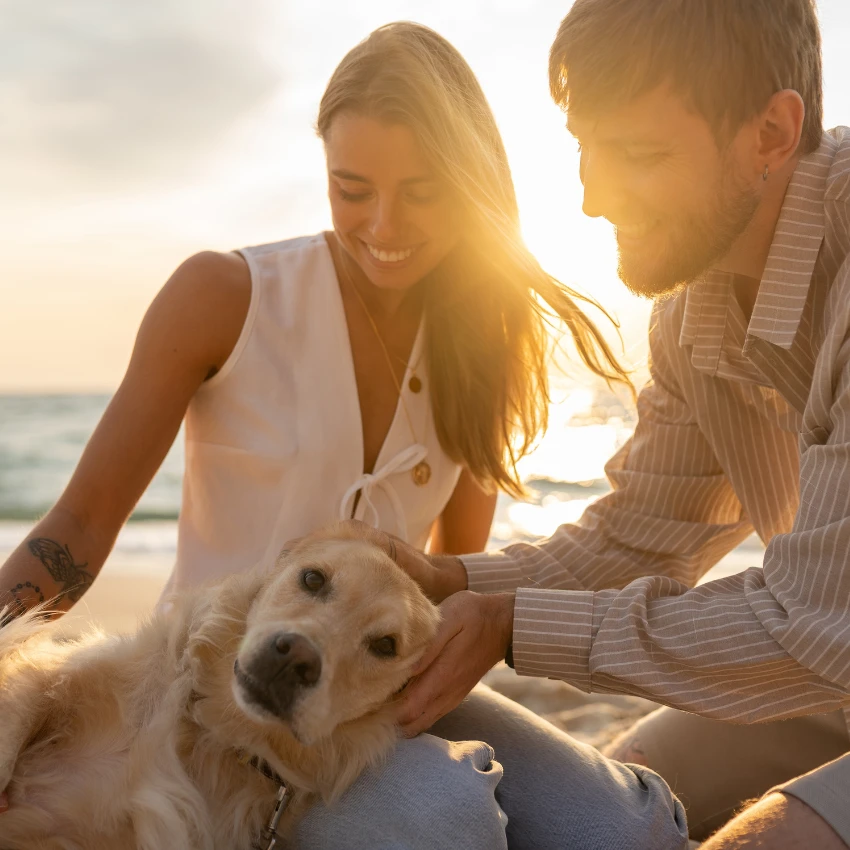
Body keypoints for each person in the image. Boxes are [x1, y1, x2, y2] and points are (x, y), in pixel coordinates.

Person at [0, 21, 683, 850]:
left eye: (423, 190)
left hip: (372, 701)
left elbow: (452, 586)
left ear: (470, 184)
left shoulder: (485, 346)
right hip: (213, 694)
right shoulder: (223, 293)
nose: (384, 223)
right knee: (448, 819)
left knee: (630, 826)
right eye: (351, 186)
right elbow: (79, 526)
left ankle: (648, 760)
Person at [357, 1, 850, 848]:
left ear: (772, 132)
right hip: (832, 691)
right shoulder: (693, 308)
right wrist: (458, 584)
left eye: (640, 154)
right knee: (590, 814)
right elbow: (639, 537)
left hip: (829, 653)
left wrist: (515, 627)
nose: (591, 198)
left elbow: (816, 619)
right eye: (587, 147)